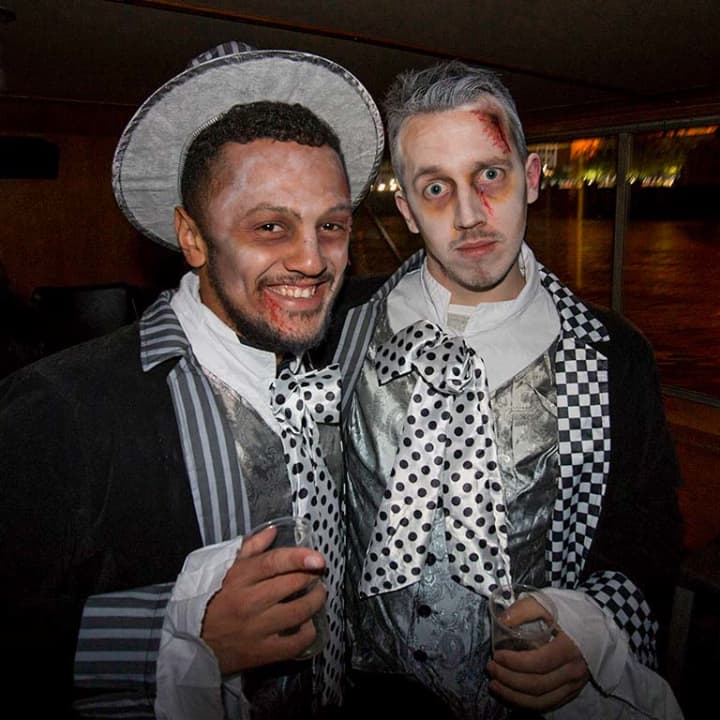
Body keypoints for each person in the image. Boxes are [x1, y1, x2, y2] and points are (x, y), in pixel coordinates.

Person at [0, 41, 383, 719]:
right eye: (271, 226)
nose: (312, 259)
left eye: (331, 225)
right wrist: (180, 631)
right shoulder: (62, 404)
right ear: (194, 238)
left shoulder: (352, 366)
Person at [334, 60, 685, 719]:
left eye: (489, 176)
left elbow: (650, 535)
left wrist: (592, 630)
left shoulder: (614, 357)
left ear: (532, 178)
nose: (469, 216)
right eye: (436, 188)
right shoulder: (342, 328)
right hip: (362, 695)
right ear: (406, 209)